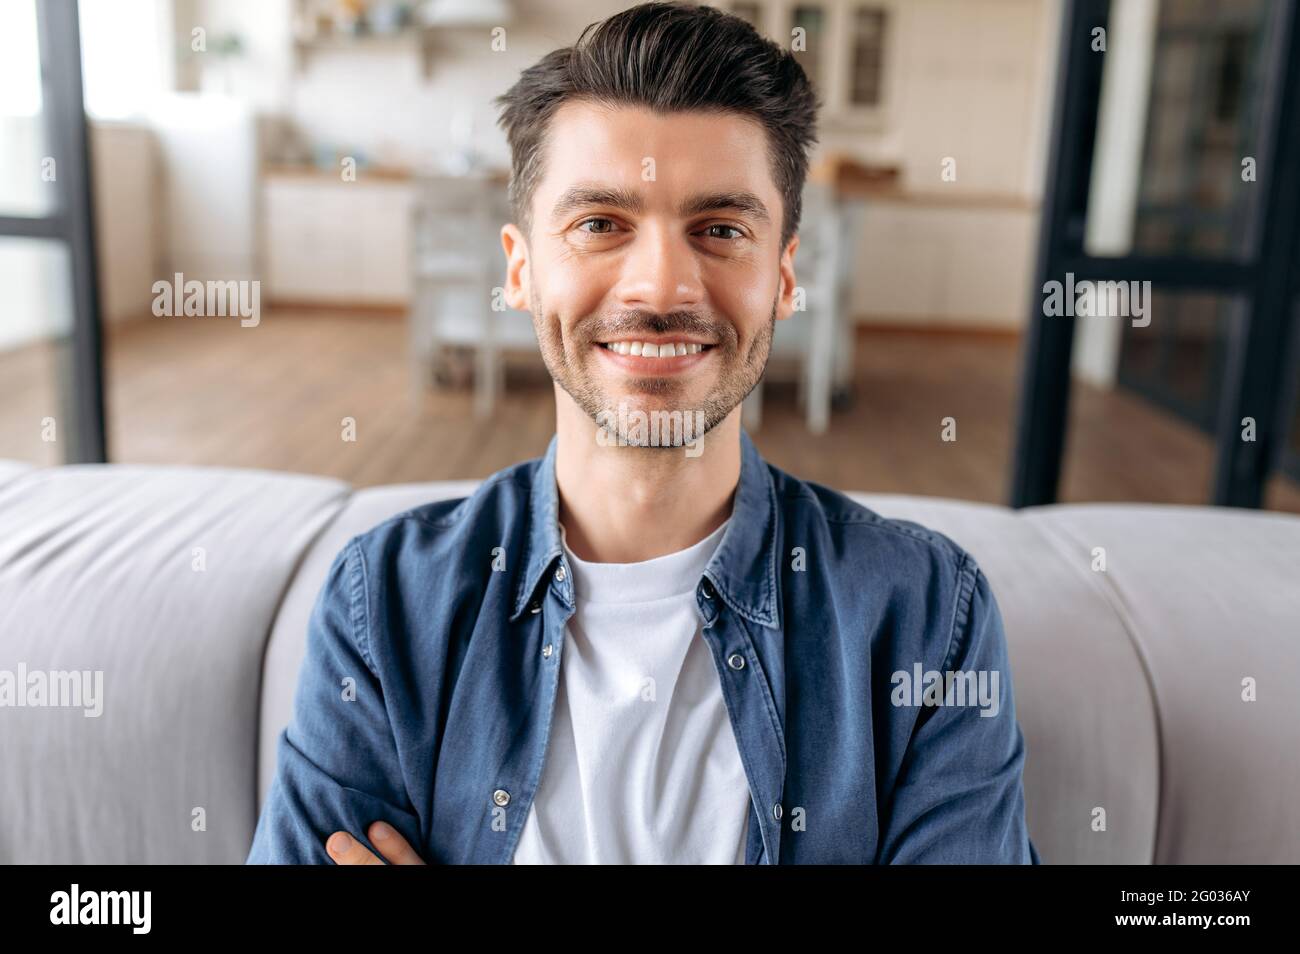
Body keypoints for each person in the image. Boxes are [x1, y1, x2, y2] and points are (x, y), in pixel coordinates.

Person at [246, 1, 1039, 865]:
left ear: (782, 278)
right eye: (600, 224)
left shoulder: (928, 616)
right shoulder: (386, 606)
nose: (660, 285)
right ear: (521, 269)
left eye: (722, 229)